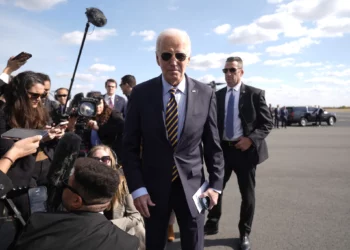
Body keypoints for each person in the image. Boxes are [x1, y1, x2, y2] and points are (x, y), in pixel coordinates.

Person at [123, 28, 224, 250]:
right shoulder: (140, 94)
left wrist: (215, 186)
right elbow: (129, 147)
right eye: (167, 55)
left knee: (194, 244)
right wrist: (138, 189)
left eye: (180, 55)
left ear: (189, 58)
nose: (173, 61)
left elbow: (213, 146)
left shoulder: (206, 93)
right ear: (157, 58)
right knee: (155, 244)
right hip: (152, 191)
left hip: (194, 187)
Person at [204, 56, 273, 250]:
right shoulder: (216, 96)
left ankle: (244, 232)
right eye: (225, 71)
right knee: (215, 188)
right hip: (223, 151)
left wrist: (250, 139)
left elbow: (267, 123)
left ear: (241, 72)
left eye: (232, 70)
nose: (228, 74)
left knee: (247, 195)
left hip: (245, 151)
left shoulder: (254, 94)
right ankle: (213, 222)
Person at [13, 157, 139, 250]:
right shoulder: (127, 243)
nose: (62, 187)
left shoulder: (40, 224)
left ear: (76, 201)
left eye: (66, 184)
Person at [88, 145, 145, 249]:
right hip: (94, 238)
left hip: (119, 236)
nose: (100, 163)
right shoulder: (83, 185)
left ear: (111, 161)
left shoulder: (122, 183)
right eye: (96, 159)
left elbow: (136, 217)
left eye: (105, 159)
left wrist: (106, 225)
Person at [67, 91, 124, 161]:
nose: (97, 107)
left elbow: (119, 132)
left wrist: (99, 129)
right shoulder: (85, 115)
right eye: (93, 105)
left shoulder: (114, 115)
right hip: (90, 155)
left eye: (99, 104)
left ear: (103, 102)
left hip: (108, 156)